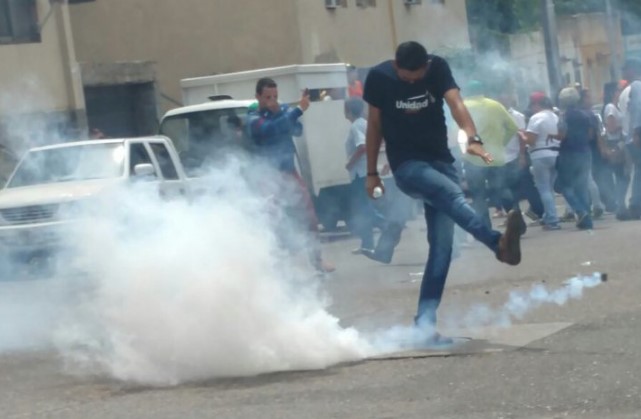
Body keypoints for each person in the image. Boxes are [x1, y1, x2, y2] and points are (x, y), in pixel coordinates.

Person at [363, 41, 524, 343]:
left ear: (426, 65)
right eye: (406, 76)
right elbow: (374, 125)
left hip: (441, 160)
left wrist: (472, 137)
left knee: (442, 250)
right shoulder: (380, 78)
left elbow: (455, 102)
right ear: (396, 66)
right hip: (408, 166)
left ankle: (424, 326)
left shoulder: (437, 69)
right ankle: (498, 244)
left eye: (417, 75)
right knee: (452, 194)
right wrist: (371, 173)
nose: (412, 80)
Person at [247, 77, 335, 273]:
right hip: (268, 176)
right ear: (258, 97)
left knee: (310, 217)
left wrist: (282, 112)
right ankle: (276, 266)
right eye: (268, 97)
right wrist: (296, 111)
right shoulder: (253, 118)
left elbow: (297, 129)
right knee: (273, 220)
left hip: (289, 171)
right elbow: (270, 129)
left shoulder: (282, 111)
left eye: (275, 96)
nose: (272, 100)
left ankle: (316, 260)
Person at [462, 80, 520, 231]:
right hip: (496, 156)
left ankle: (485, 229)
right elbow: (513, 127)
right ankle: (517, 221)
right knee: (501, 188)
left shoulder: (462, 107)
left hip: (473, 158)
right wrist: (501, 143)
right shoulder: (495, 105)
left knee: (478, 195)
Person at [344, 97, 383, 253]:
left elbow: (362, 147)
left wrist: (350, 163)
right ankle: (367, 244)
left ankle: (388, 226)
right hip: (365, 172)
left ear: (348, 111)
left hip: (360, 174)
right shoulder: (364, 123)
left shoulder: (356, 126)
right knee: (364, 209)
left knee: (364, 209)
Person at [555, 87, 594, 230]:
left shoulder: (564, 116)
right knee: (582, 187)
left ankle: (580, 210)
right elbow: (590, 134)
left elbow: (562, 135)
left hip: (568, 153)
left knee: (564, 186)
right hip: (585, 151)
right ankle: (587, 220)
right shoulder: (585, 115)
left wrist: (553, 136)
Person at [524, 92, 561, 230]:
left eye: (532, 105)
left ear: (536, 105)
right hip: (556, 153)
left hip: (540, 155)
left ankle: (552, 219)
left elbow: (531, 140)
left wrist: (523, 136)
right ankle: (548, 215)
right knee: (550, 188)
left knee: (544, 189)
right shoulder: (555, 117)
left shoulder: (536, 118)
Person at [601, 80, 630, 218]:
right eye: (618, 90)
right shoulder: (611, 108)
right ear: (613, 92)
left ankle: (621, 204)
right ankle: (619, 205)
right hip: (615, 143)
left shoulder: (616, 107)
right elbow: (611, 128)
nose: (621, 92)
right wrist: (624, 126)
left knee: (622, 176)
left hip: (619, 143)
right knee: (620, 176)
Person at [619, 59, 641, 220]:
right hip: (636, 135)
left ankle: (633, 204)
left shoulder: (634, 87)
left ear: (632, 70)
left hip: (633, 135)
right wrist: (637, 132)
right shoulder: (636, 86)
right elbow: (636, 110)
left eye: (625, 69)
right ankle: (634, 205)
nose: (623, 73)